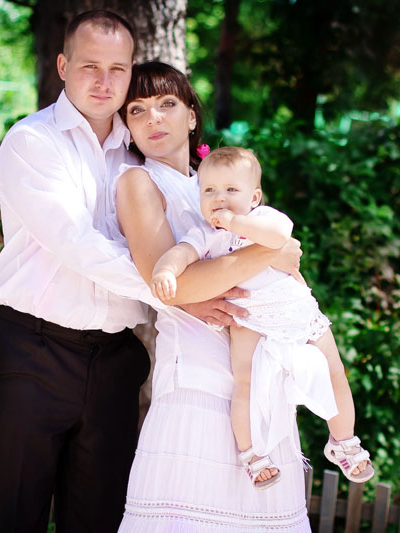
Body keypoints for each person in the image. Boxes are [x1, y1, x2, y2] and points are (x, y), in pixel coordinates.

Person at [0, 11, 238, 532]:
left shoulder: (141, 151)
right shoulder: (33, 141)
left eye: (117, 69)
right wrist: (178, 293)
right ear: (62, 66)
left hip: (117, 359)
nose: (104, 81)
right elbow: (78, 245)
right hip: (34, 352)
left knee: (101, 519)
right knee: (10, 513)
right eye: (89, 66)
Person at [111, 62, 308, 532]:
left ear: (192, 115)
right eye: (137, 110)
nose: (153, 118)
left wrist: (273, 252)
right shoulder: (138, 181)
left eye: (167, 103)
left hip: (259, 373)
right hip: (195, 377)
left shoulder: (216, 181)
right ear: (128, 127)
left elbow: (284, 261)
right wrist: (268, 251)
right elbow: (175, 284)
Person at [149, 146, 374, 489]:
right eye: (209, 190)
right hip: (248, 320)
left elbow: (279, 237)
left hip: (295, 309)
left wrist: (235, 222)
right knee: (246, 385)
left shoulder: (264, 217)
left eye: (231, 189)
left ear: (254, 197)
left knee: (333, 372)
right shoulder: (206, 234)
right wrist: (165, 270)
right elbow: (181, 252)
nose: (220, 198)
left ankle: (343, 441)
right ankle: (252, 455)